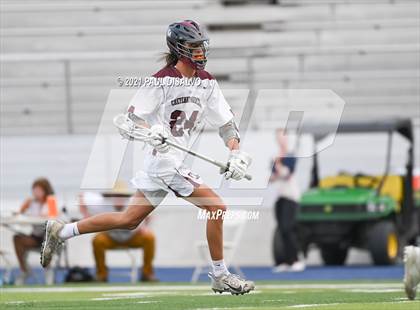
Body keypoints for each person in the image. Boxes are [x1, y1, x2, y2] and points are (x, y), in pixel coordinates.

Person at [40, 20, 254, 295]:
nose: (200, 52)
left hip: (168, 164)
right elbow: (130, 119)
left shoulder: (207, 83)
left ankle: (62, 231)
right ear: (179, 49)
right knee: (216, 208)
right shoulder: (160, 81)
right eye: (193, 47)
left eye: (201, 46)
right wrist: (149, 131)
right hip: (166, 163)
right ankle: (220, 275)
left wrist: (235, 152)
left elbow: (226, 125)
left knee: (129, 219)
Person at [79, 181, 157, 282]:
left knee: (149, 237)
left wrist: (146, 227)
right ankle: (101, 274)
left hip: (132, 237)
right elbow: (81, 197)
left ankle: (147, 273)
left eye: (121, 196)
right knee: (97, 240)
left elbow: (149, 214)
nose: (119, 198)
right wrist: (86, 216)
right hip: (110, 237)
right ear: (111, 197)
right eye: (116, 195)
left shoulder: (133, 203)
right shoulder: (102, 203)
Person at [270, 129, 305, 272]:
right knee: (281, 230)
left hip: (291, 197)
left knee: (288, 228)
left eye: (283, 137)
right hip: (280, 197)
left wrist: (278, 165)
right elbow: (272, 178)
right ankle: (284, 261)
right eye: (278, 137)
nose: (281, 140)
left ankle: (296, 259)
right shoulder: (276, 157)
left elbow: (286, 174)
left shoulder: (290, 156)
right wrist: (277, 167)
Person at [14, 178, 58, 284]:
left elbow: (53, 216)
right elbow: (19, 215)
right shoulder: (31, 202)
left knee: (50, 237)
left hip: (48, 236)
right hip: (35, 236)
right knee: (17, 238)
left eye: (39, 190)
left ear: (45, 190)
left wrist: (41, 216)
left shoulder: (51, 200)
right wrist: (24, 207)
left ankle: (48, 269)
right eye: (34, 190)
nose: (36, 192)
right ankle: (24, 270)